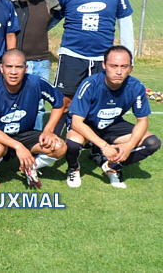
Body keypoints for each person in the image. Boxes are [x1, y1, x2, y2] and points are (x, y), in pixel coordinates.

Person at [54, 0, 134, 135]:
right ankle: (54, 142)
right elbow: (49, 21)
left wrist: (128, 59)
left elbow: (126, 25)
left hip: (102, 59)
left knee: (100, 103)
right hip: (72, 55)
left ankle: (95, 144)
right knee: (64, 102)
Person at [64, 46, 160, 188]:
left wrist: (129, 146)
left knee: (152, 142)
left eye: (124, 66)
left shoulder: (136, 87)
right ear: (104, 65)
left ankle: (111, 166)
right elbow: (77, 123)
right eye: (114, 66)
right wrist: (104, 146)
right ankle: (73, 168)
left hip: (112, 125)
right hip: (87, 126)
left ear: (131, 68)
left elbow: (142, 121)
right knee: (73, 142)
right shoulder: (90, 84)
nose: (119, 72)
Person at [0, 49, 67, 188]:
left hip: (26, 134)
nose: (13, 72)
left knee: (59, 147)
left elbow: (60, 103)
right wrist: (18, 146)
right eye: (9, 66)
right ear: (1, 68)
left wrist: (49, 130)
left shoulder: (36, 83)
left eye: (18, 67)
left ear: (25, 68)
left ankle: (30, 167)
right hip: (0, 138)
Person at [10, 0, 61, 128]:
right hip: (18, 63)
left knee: (38, 106)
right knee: (15, 103)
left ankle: (36, 138)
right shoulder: (13, 3)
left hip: (41, 62)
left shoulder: (49, 3)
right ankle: (14, 137)